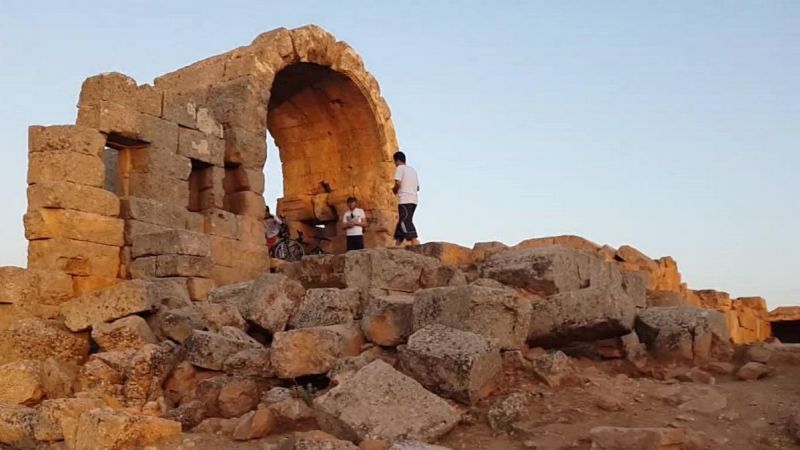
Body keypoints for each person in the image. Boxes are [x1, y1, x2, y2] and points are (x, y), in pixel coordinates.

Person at [392, 151, 419, 246]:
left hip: (405, 199)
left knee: (405, 220)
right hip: (414, 200)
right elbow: (418, 187)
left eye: (394, 162)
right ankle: (397, 243)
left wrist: (394, 190)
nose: (395, 164)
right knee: (402, 220)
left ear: (397, 160)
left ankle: (414, 241)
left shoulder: (400, 168)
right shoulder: (413, 170)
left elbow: (398, 183)